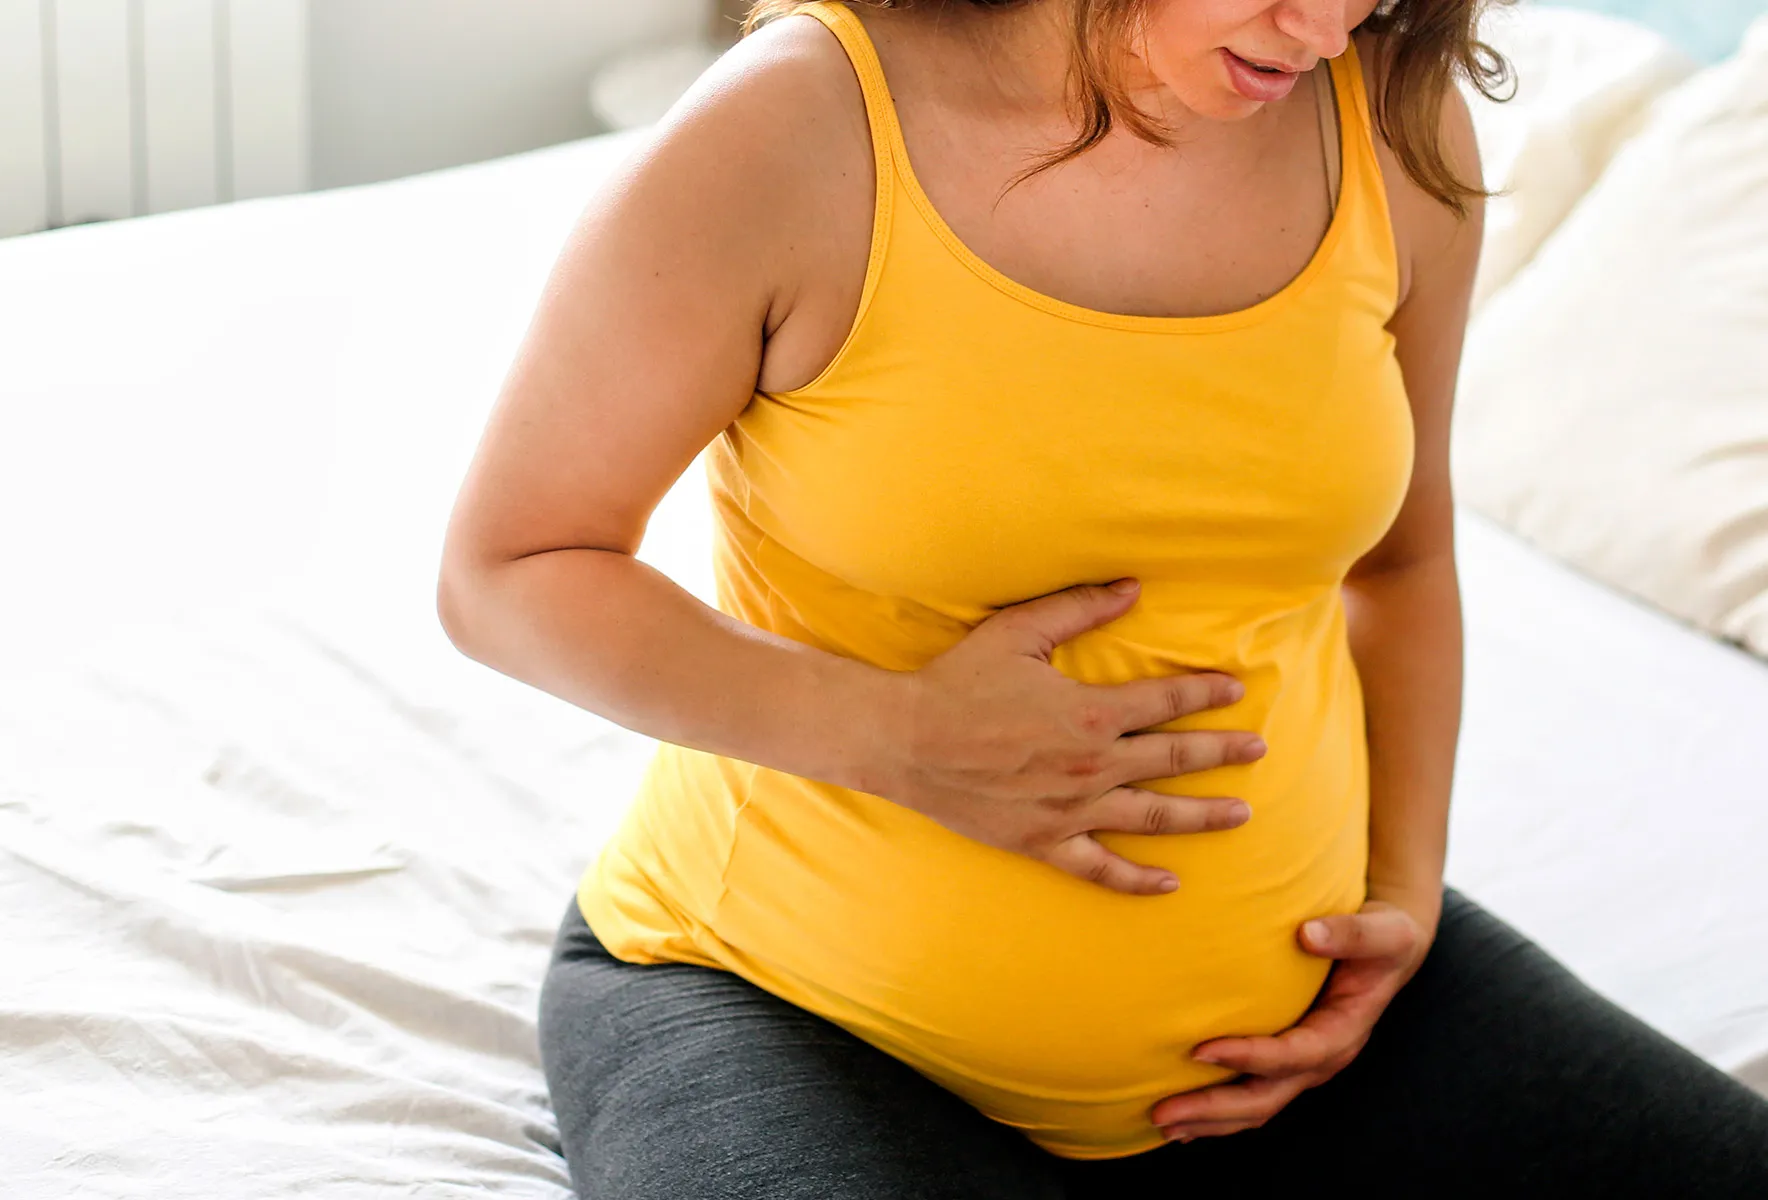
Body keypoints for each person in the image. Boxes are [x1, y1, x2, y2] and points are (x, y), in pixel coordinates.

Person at [435, 0, 1768, 1194]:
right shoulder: (796, 126)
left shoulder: (1396, 117)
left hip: (1287, 1025)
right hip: (787, 1006)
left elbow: (1401, 561)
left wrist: (1405, 893)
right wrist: (904, 738)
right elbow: (510, 568)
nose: (1321, 26)